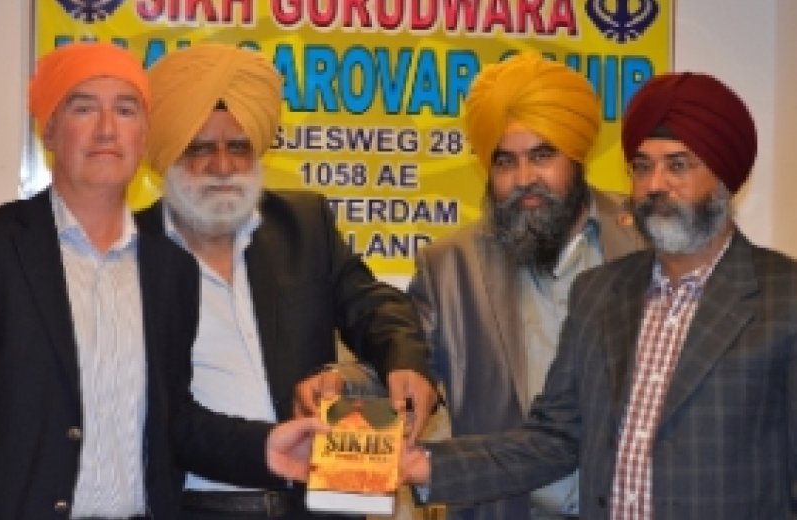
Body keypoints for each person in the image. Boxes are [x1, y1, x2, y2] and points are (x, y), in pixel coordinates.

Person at [0, 42, 325, 520]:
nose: (107, 129)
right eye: (84, 108)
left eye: (125, 110)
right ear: (49, 130)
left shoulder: (170, 269)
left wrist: (266, 445)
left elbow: (173, 420)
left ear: (144, 136)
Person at [402, 71, 797, 519]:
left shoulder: (783, 298)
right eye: (642, 167)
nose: (655, 185)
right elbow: (554, 438)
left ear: (724, 179)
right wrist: (425, 466)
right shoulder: (601, 292)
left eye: (678, 165)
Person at [135, 42, 437, 519]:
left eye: (238, 147)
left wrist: (405, 360)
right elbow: (159, 413)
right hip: (196, 507)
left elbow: (374, 305)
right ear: (167, 155)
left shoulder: (302, 224)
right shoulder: (132, 253)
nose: (222, 166)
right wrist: (266, 446)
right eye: (200, 148)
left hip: (315, 506)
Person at [407, 53, 643, 520]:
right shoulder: (450, 266)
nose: (524, 179)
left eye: (542, 156)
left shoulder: (645, 242)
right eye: (505, 161)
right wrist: (340, 381)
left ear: (576, 155)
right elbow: (401, 365)